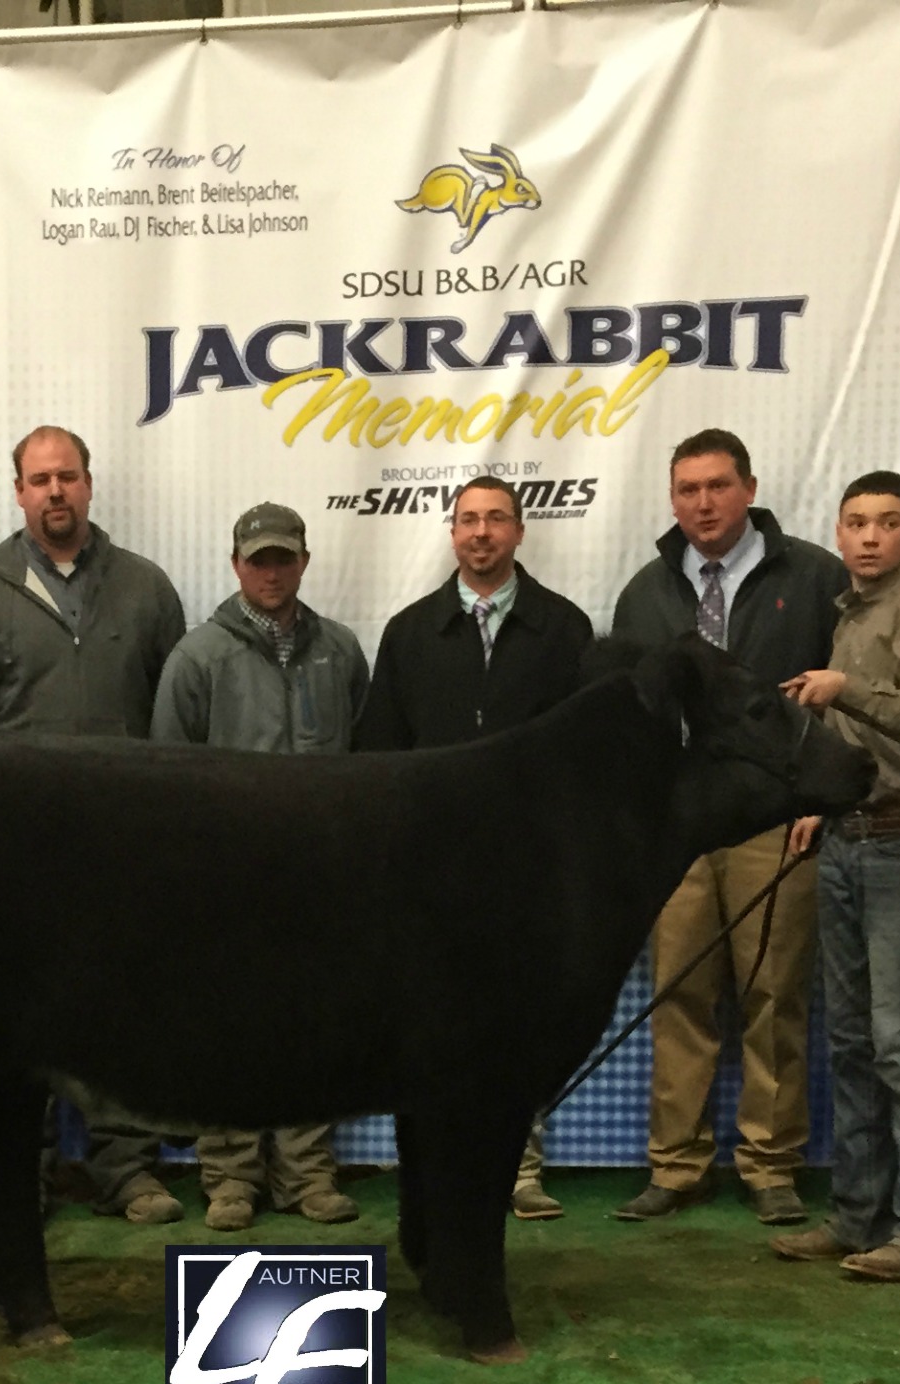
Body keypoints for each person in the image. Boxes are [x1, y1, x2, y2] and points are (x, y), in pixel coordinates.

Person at [0, 426, 191, 1221]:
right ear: (18, 492)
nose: (55, 491)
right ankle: (24, 1171)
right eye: (39, 479)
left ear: (89, 484)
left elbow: (176, 720)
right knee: (17, 1019)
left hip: (126, 844)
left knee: (125, 1010)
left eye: (68, 477)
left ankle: (128, 1169)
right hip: (18, 851)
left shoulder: (147, 588)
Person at [610, 428, 848, 1228]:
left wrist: (816, 798)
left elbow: (836, 703)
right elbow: (632, 722)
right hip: (677, 832)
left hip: (771, 825)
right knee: (678, 990)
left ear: (749, 487)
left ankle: (770, 1164)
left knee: (771, 993)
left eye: (717, 486)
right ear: (672, 499)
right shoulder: (646, 592)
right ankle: (675, 1167)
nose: (702, 504)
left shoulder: (814, 577)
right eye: (687, 490)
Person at [355, 473, 596, 1218]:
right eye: (468, 521)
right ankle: (424, 1164)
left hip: (530, 868)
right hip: (427, 871)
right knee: (427, 1019)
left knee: (517, 1021)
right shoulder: (409, 632)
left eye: (496, 519)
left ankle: (517, 1168)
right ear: (452, 534)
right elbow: (378, 755)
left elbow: (589, 757)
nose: (482, 533)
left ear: (520, 532)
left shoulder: (566, 630)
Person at [769, 472, 900, 1281]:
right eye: (855, 523)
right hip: (852, 836)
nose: (868, 537)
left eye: (887, 523)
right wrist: (824, 804)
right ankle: (858, 1217)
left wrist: (844, 687)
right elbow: (868, 743)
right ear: (840, 530)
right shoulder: (850, 614)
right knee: (851, 1041)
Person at [152, 501, 371, 1231]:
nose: (271, 571)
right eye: (258, 559)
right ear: (236, 564)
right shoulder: (196, 657)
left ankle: (308, 1176)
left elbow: (367, 764)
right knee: (227, 1031)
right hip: (224, 879)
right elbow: (165, 775)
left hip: (324, 877)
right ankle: (230, 1178)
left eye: (284, 558)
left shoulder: (340, 652)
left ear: (304, 562)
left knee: (315, 1028)